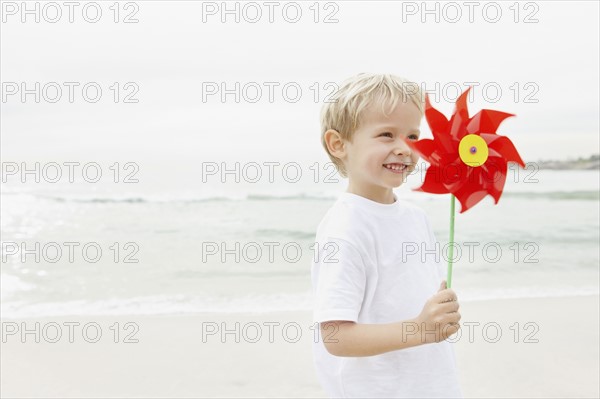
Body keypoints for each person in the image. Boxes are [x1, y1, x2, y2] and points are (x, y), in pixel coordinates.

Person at [311, 73, 463, 398]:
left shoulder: (416, 218)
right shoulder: (346, 227)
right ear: (338, 144)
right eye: (386, 134)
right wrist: (420, 329)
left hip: (430, 385)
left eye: (412, 135)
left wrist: (437, 317)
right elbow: (336, 337)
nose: (404, 149)